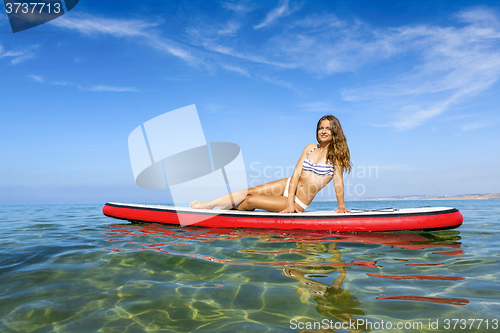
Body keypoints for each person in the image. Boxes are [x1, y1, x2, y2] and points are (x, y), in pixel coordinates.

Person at [190, 115, 352, 213]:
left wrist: (341, 206)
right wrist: (287, 201)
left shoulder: (336, 157)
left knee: (250, 201)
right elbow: (296, 174)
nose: (323, 131)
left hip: (298, 201)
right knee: (250, 191)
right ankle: (209, 204)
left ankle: (233, 209)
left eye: (328, 129)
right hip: (288, 184)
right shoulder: (310, 148)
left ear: (335, 132)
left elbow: (338, 182)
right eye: (320, 128)